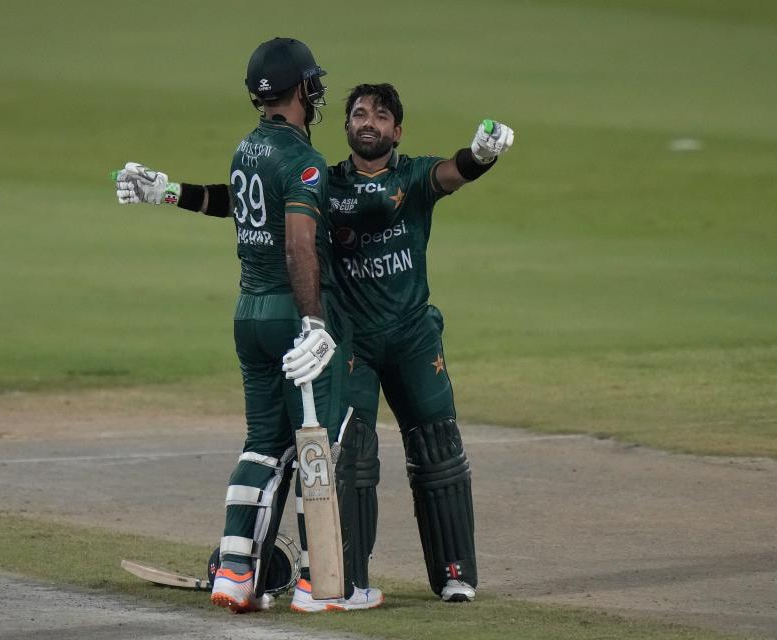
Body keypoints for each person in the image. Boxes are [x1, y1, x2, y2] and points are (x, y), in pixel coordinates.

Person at [112, 38, 382, 614]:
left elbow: (235, 206)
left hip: (248, 316)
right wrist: (314, 323)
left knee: (262, 445)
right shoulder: (304, 161)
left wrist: (169, 192)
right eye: (313, 83)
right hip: (293, 317)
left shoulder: (247, 150)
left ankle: (235, 573)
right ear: (303, 90)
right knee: (320, 448)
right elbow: (300, 246)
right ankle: (319, 586)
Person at [325, 83, 514, 603]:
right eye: (360, 114)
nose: (369, 123)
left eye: (381, 117)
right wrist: (174, 193)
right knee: (353, 457)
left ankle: (456, 574)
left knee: (438, 450)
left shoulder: (412, 176)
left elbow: (453, 172)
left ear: (397, 131)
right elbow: (261, 198)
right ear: (346, 126)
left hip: (411, 337)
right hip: (352, 343)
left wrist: (481, 155)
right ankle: (349, 578)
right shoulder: (323, 184)